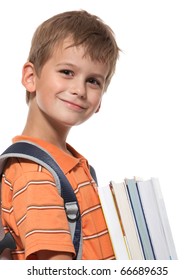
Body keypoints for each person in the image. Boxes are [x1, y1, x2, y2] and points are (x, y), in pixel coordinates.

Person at [1, 10, 120, 260]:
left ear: (100, 102)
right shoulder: (34, 173)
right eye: (67, 72)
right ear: (31, 77)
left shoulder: (71, 164)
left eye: (93, 81)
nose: (79, 90)